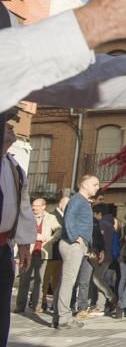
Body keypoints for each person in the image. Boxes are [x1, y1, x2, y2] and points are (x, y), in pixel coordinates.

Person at [1, 120, 36, 347]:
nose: (12, 127)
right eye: (5, 124)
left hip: (3, 247)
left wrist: (23, 244)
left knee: (2, 306)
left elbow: (23, 207)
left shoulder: (14, 167)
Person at [53, 175, 100, 330]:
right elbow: (69, 218)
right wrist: (75, 238)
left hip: (74, 245)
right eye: (95, 184)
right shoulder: (77, 199)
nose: (97, 187)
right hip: (72, 245)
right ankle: (64, 319)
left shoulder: (82, 201)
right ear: (84, 185)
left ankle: (58, 316)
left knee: (65, 282)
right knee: (68, 282)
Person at [14, 197, 60, 314]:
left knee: (40, 280)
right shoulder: (27, 217)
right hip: (27, 252)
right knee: (24, 279)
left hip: (43, 253)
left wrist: (52, 239)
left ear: (43, 206)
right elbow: (21, 232)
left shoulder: (51, 218)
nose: (34, 208)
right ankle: (20, 306)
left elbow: (60, 229)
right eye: (33, 205)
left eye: (36, 206)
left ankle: (37, 305)